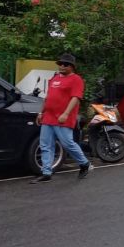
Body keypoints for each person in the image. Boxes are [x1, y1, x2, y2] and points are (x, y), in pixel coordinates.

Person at [31, 53, 92, 183]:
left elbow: (75, 98)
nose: (62, 66)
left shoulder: (76, 79)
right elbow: (48, 97)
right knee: (45, 145)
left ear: (72, 66)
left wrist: (65, 113)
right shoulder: (54, 78)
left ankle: (84, 163)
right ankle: (46, 172)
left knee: (67, 143)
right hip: (48, 117)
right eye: (60, 64)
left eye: (65, 64)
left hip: (63, 118)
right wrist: (41, 113)